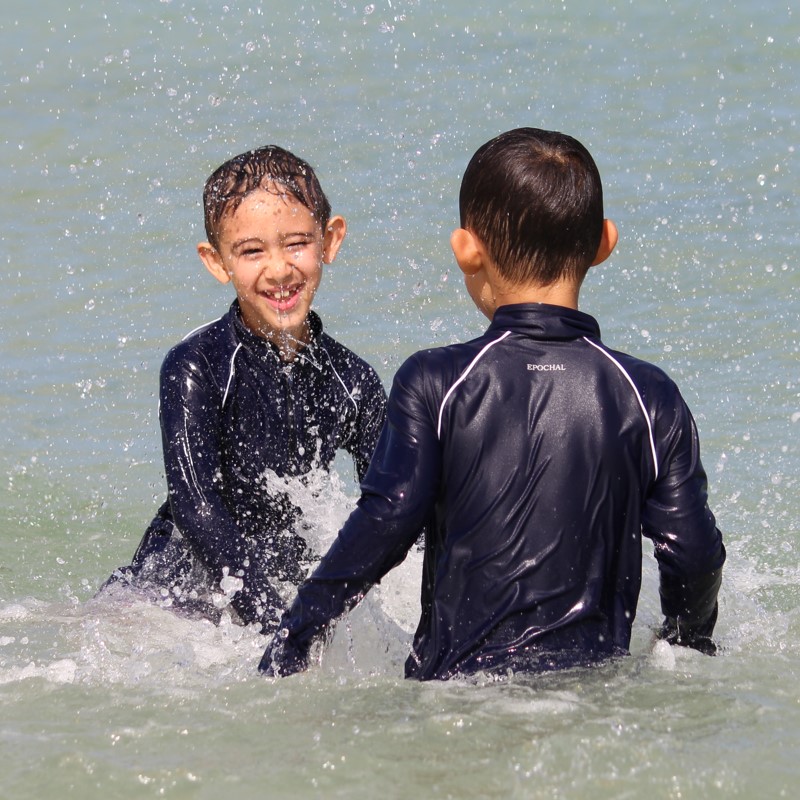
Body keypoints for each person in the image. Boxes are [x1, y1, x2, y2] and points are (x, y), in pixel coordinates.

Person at [260, 127, 725, 680]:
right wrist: (683, 644)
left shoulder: (436, 380)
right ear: (604, 244)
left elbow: (384, 525)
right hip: (593, 701)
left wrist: (295, 637)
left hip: (459, 696)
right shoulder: (647, 395)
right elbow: (693, 553)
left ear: (466, 249)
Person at [100, 145, 387, 635]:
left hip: (278, 591)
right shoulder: (196, 367)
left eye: (296, 243)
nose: (278, 270)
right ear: (217, 262)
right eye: (252, 251)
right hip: (168, 598)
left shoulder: (352, 382)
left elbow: (394, 508)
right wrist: (281, 629)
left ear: (329, 240)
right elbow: (197, 509)